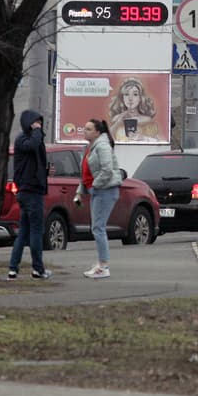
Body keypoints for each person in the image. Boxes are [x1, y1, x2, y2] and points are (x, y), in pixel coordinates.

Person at [7, 110, 50, 280]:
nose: (38, 125)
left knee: (24, 232)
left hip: (30, 190)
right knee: (36, 231)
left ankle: (13, 268)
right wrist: (37, 130)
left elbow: (35, 161)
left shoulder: (33, 140)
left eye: (40, 122)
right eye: (35, 122)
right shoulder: (23, 140)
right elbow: (31, 146)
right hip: (30, 192)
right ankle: (38, 269)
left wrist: (45, 171)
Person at [76, 118, 121, 279]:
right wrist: (80, 191)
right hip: (96, 191)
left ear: (97, 132)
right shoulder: (88, 147)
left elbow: (107, 170)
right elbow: (85, 172)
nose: (85, 131)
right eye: (84, 128)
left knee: (98, 228)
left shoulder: (102, 146)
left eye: (88, 129)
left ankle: (103, 266)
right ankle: (102, 263)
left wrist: (95, 186)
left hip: (105, 191)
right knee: (97, 227)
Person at [108, 76, 161, 141]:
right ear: (122, 97)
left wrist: (143, 138)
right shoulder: (117, 119)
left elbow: (157, 141)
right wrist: (118, 123)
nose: (130, 98)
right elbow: (106, 139)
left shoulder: (147, 120)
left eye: (135, 94)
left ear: (140, 98)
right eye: (126, 94)